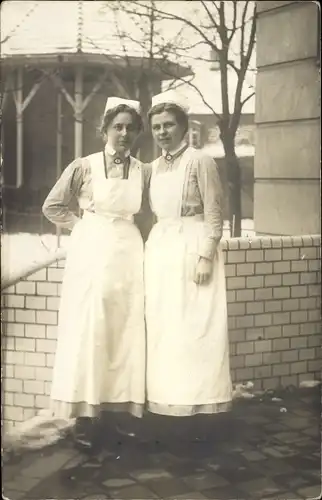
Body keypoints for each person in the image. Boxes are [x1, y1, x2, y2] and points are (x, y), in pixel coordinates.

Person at [42, 97, 147, 450]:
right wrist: (83, 228)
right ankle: (86, 416)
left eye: (131, 127)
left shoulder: (142, 170)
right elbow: (53, 205)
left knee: (125, 329)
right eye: (117, 126)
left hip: (129, 251)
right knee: (92, 328)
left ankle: (119, 410)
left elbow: (147, 212)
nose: (124, 133)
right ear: (104, 130)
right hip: (93, 252)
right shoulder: (83, 166)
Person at [145, 90, 232, 438]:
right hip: (161, 251)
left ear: (183, 127)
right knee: (167, 332)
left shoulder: (201, 161)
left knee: (197, 331)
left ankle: (200, 416)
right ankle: (168, 410)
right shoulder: (152, 168)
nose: (163, 132)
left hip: (193, 246)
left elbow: (215, 214)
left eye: (169, 125)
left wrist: (206, 256)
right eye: (156, 127)